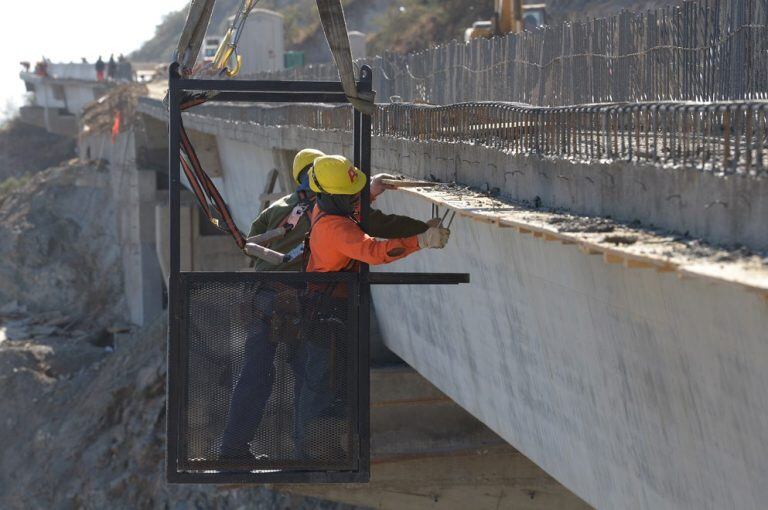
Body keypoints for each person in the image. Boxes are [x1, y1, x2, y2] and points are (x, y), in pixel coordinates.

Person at [219, 149, 435, 460]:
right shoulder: (328, 216)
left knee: (259, 376)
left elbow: (253, 249)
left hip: (266, 300)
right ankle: (307, 449)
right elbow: (369, 229)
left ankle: (235, 449)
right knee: (312, 378)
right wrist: (420, 234)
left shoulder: (283, 209)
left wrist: (366, 195)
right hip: (300, 304)